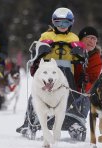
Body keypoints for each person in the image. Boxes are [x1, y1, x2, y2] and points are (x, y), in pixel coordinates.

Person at [16, 7, 88, 140]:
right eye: (58, 22)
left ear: (70, 23)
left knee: (71, 94)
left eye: (65, 23)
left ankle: (74, 118)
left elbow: (80, 58)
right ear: (53, 23)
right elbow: (36, 54)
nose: (62, 26)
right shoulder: (46, 36)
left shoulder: (73, 37)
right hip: (47, 71)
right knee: (36, 96)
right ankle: (28, 122)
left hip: (66, 73)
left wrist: (78, 52)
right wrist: (42, 48)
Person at [74, 26, 102, 93]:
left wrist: (85, 82)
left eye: (94, 39)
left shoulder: (96, 60)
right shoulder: (71, 52)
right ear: (81, 39)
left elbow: (93, 84)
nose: (92, 41)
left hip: (80, 93)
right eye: (89, 37)